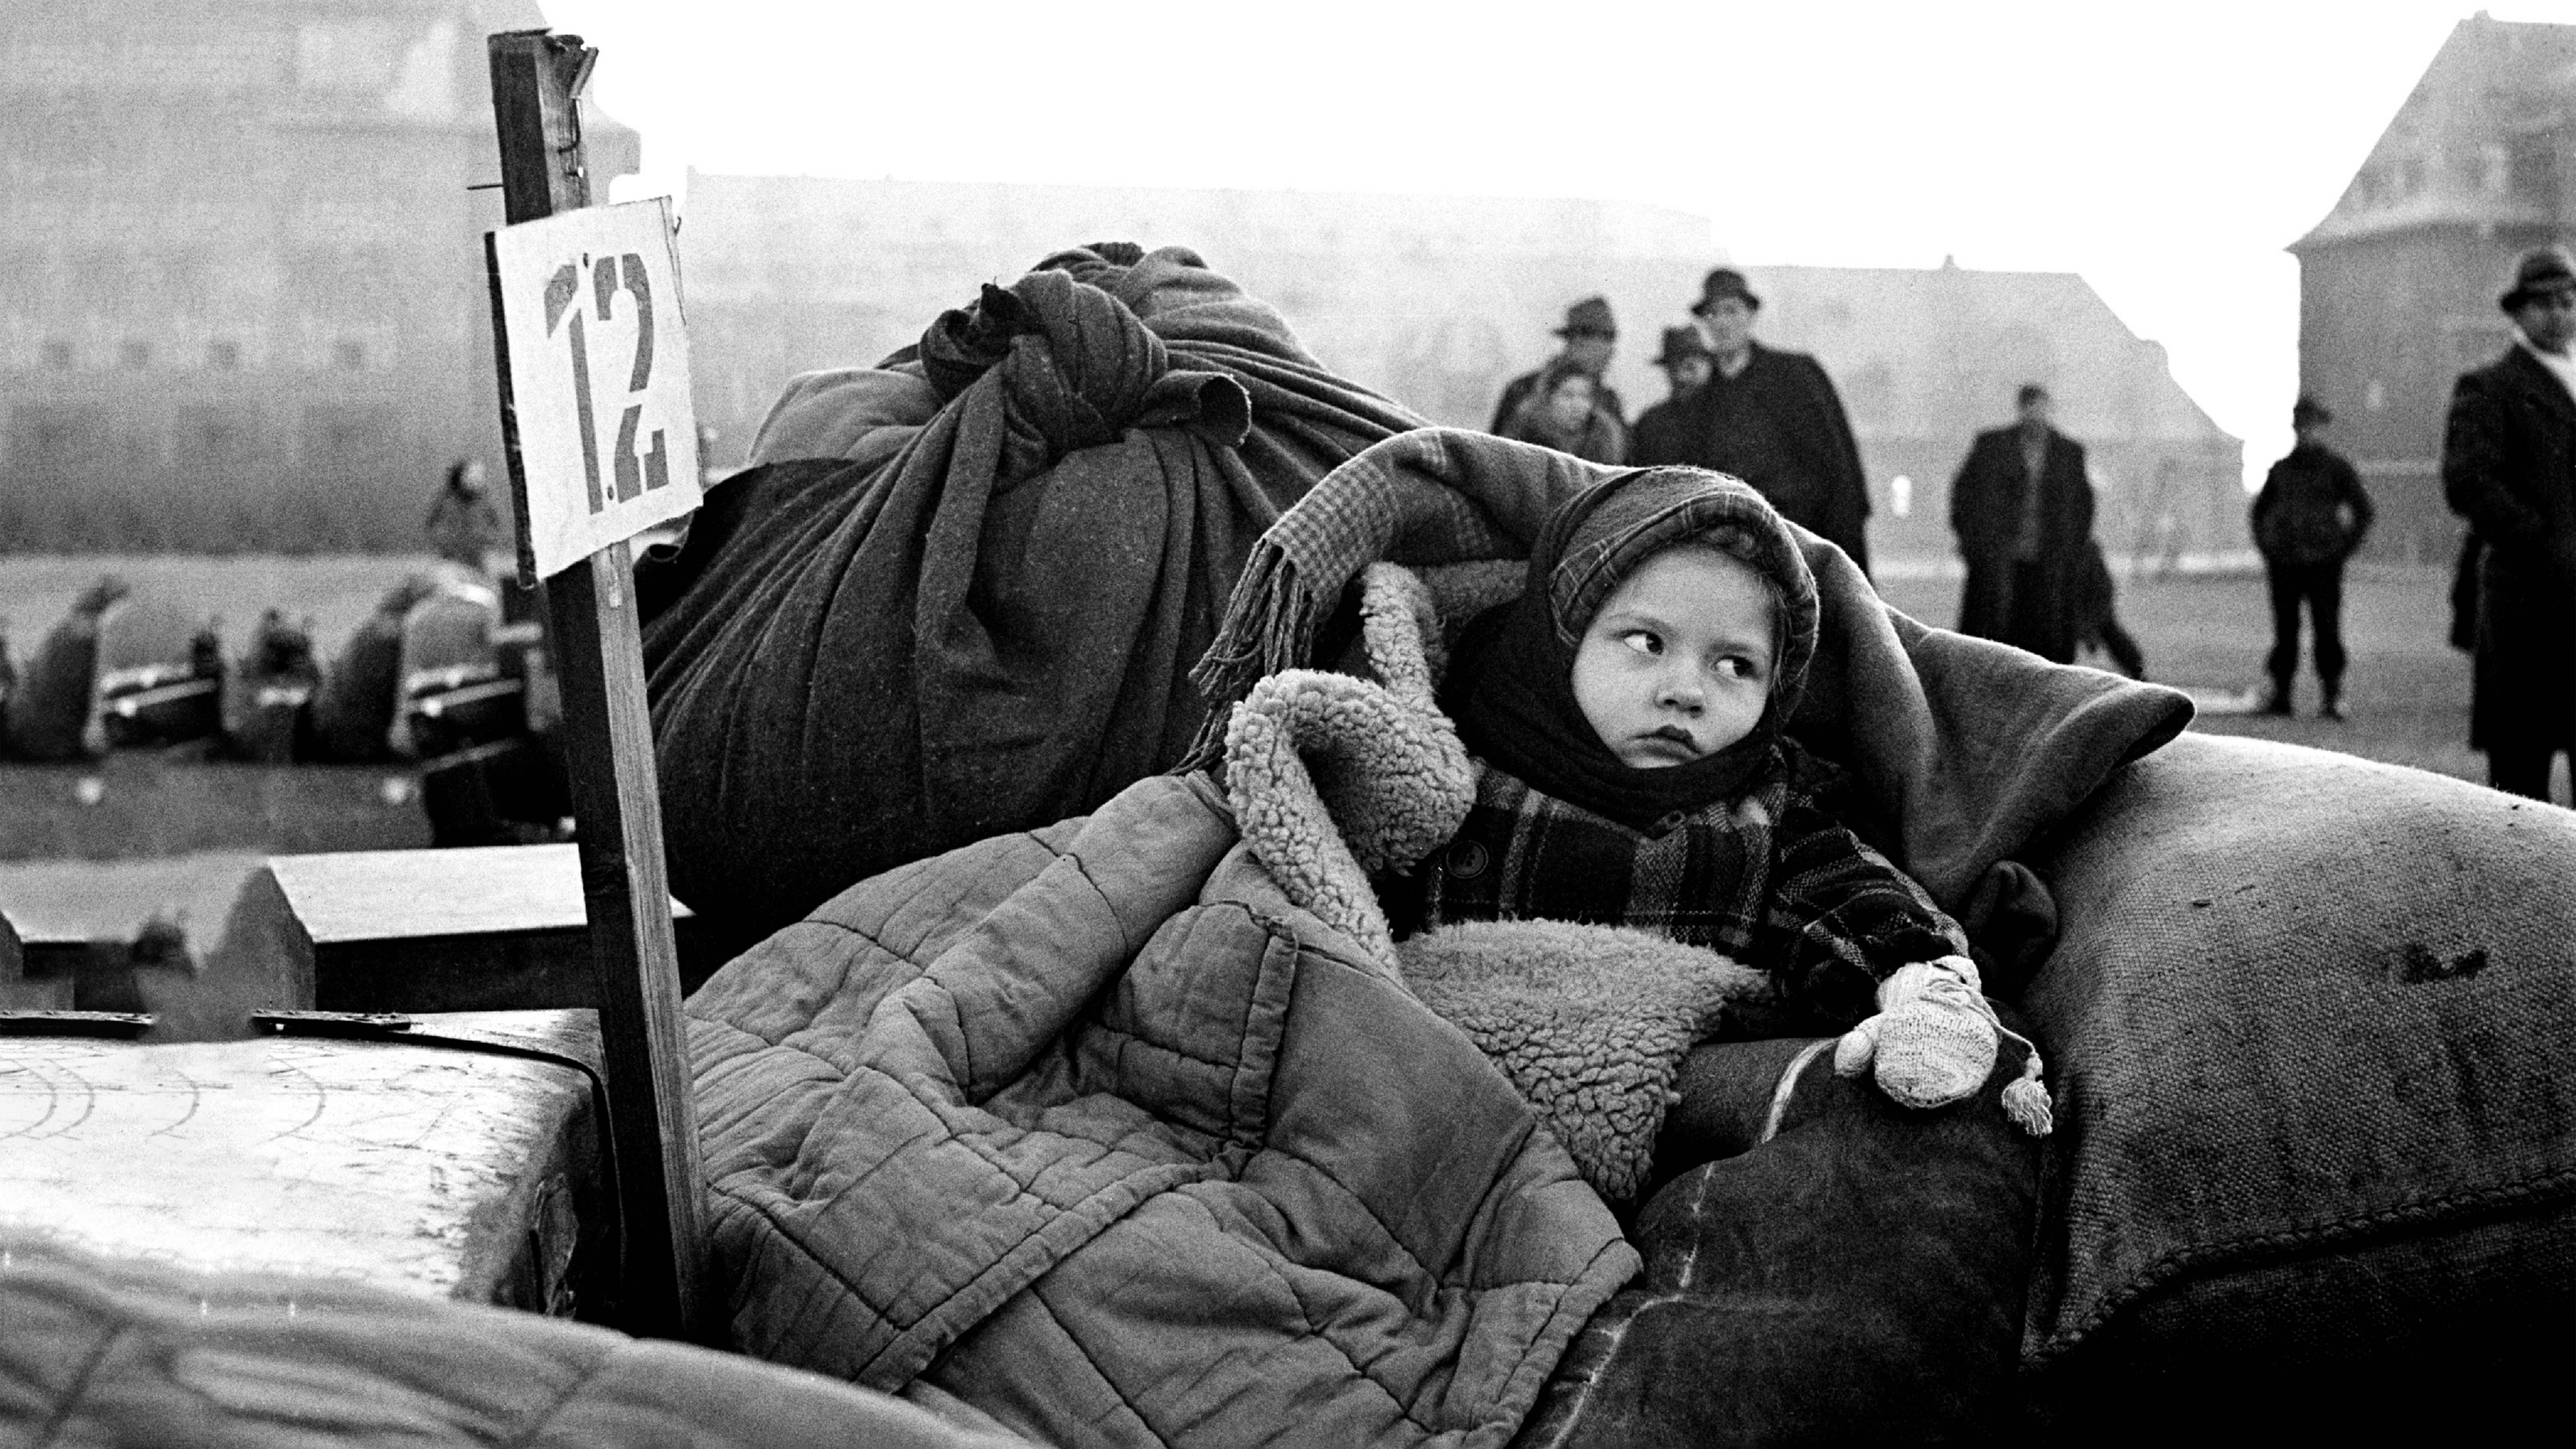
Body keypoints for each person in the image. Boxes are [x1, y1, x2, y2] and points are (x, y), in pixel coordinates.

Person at [1399, 465, 2048, 1126]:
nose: (1686, 690)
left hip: (1652, 1115)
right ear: (1559, 640)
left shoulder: (1761, 812)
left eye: (1734, 665)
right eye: (1646, 642)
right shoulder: (1446, 771)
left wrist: (1922, 988)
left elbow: (1848, 893)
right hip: (1433, 1100)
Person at [2441, 243, 2576, 801]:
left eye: (2568, 301)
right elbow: (2467, 483)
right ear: (2517, 313)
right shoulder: (2489, 386)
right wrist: (2543, 540)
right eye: (2542, 303)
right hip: (2526, 604)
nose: (2558, 314)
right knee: (2520, 785)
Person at [1633, 269, 1873, 576]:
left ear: (1750, 315)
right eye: (1712, 313)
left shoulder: (1793, 376)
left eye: (1731, 311)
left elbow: (1837, 468)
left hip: (1801, 543)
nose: (1721, 323)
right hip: (1735, 556)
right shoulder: (1703, 399)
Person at [1950, 384, 2097, 664]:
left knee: (2045, 626)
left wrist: (2073, 547)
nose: (2037, 417)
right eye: (2031, 409)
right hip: (2000, 554)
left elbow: (2083, 505)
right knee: (1996, 625)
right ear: (2021, 410)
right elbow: (1964, 493)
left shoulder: (2068, 453)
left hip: (2049, 556)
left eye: (2042, 409)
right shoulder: (1992, 447)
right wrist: (1972, 541)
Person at [2251, 395, 2373, 719]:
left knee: (2327, 629)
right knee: (2285, 632)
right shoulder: (2281, 471)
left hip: (2323, 566)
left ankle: (2332, 695)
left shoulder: (2336, 469)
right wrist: (2270, 550)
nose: (2307, 433)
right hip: (2286, 566)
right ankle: (2281, 695)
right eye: (2302, 427)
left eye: (2312, 427)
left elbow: (2363, 511)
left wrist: (2341, 551)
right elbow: (2260, 513)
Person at [1489, 297, 1626, 436]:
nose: (1610, 353)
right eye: (1601, 342)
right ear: (1575, 342)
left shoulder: (1609, 401)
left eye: (1610, 341)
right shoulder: (1523, 391)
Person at [1498, 359, 1628, 464]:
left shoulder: (1604, 444)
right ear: (1548, 400)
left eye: (1585, 397)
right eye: (1567, 395)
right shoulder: (1523, 440)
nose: (1577, 406)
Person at [1631, 326, 1713, 465]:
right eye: (1673, 368)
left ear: (1707, 366)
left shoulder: (1727, 415)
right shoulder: (1652, 422)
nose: (1681, 377)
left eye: (1690, 367)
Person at [426, 458, 505, 576]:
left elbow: (495, 525)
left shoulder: (486, 501)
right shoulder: (445, 501)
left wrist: (486, 543)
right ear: (460, 476)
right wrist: (446, 544)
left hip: (481, 557)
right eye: (473, 474)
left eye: (481, 475)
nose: (478, 479)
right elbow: (433, 525)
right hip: (452, 558)